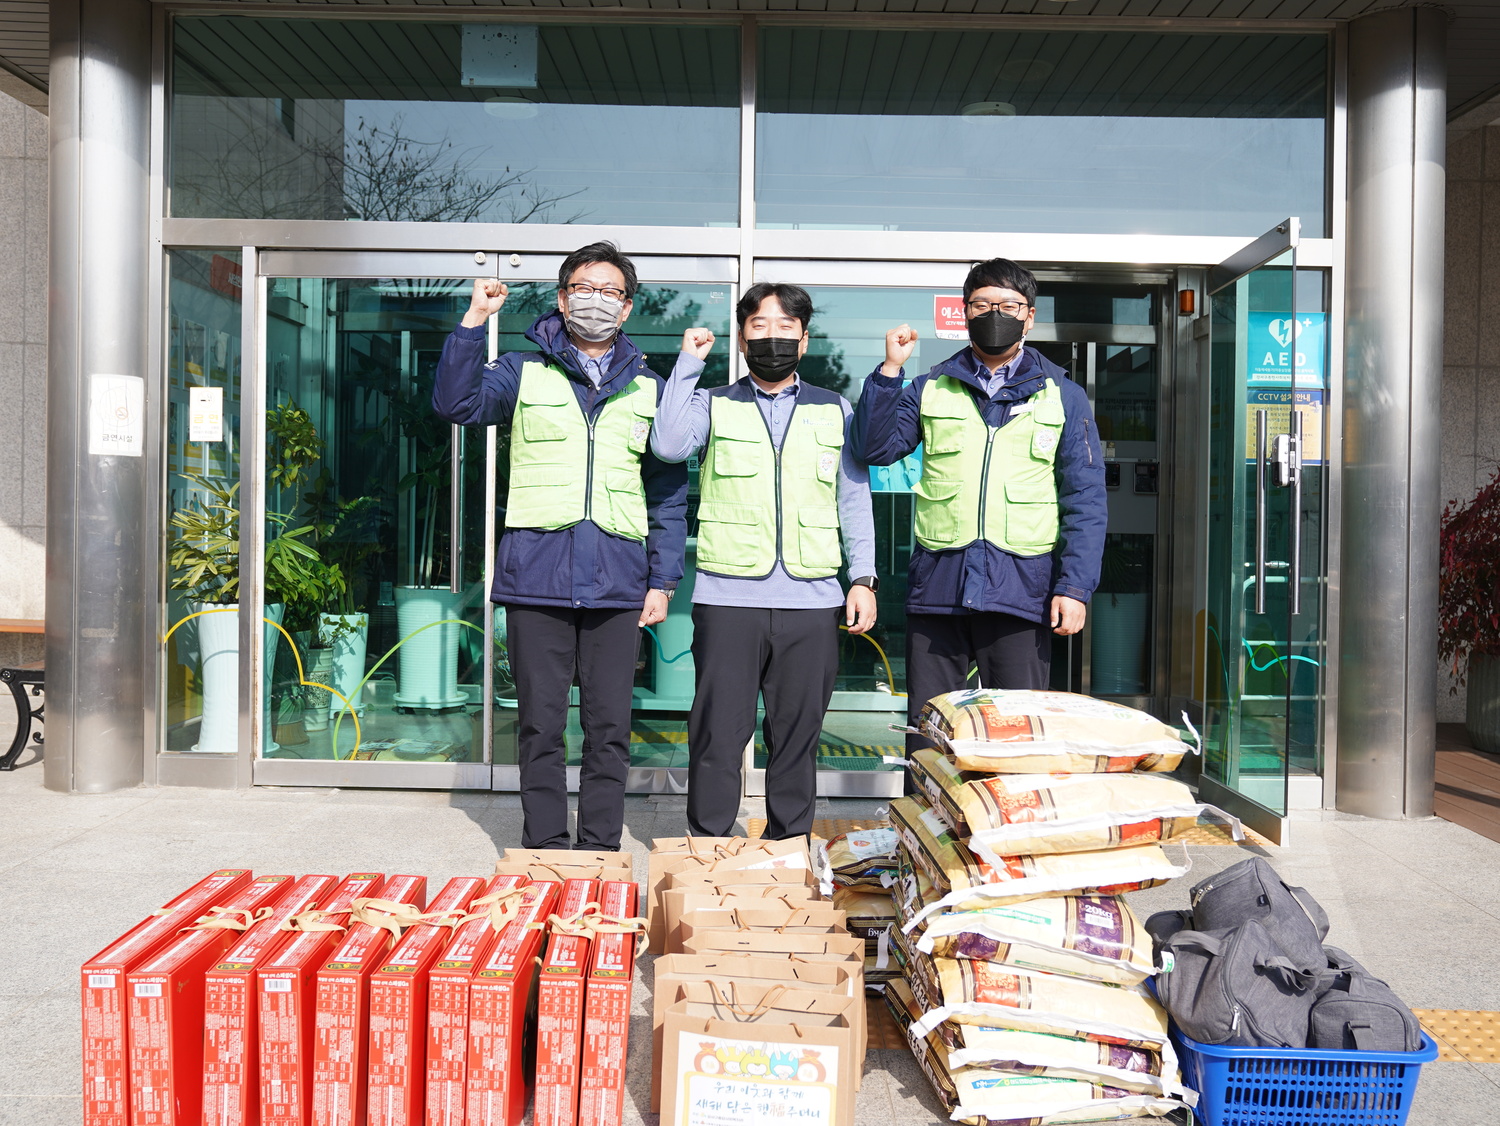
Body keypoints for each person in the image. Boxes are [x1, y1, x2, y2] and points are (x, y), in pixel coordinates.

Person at [432, 242, 688, 850]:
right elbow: (456, 403)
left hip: (618, 581)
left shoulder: (649, 387)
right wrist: (475, 320)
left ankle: (599, 847)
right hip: (536, 578)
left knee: (610, 727)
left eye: (610, 292)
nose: (597, 301)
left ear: (627, 307)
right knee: (540, 726)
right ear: (563, 299)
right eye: (584, 288)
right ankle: (546, 846)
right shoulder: (523, 370)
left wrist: (663, 580)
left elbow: (668, 495)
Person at [852, 257, 1106, 756]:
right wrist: (890, 371)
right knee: (931, 734)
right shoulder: (929, 386)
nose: (995, 314)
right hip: (939, 587)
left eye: (1008, 305)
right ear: (965, 312)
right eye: (982, 304)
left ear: (1029, 316)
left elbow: (1086, 497)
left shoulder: (1063, 395)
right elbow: (873, 449)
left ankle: (1002, 812)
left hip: (1022, 589)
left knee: (1016, 738)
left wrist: (1074, 587)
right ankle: (926, 812)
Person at [652, 283, 878, 841]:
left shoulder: (835, 408)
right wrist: (688, 366)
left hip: (812, 599)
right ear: (742, 337)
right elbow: (669, 445)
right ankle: (708, 850)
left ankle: (788, 850)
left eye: (784, 327)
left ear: (803, 340)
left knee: (797, 737)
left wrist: (863, 578)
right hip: (728, 598)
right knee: (717, 734)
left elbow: (852, 497)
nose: (771, 336)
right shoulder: (714, 402)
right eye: (759, 325)